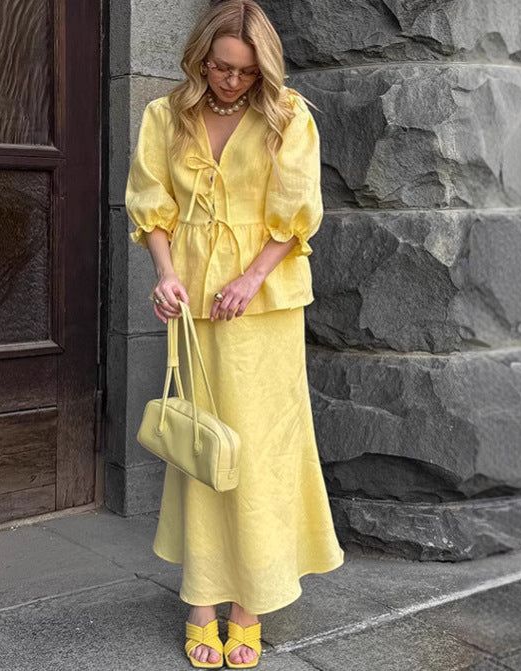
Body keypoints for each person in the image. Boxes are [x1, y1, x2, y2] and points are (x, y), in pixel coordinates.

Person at [125, 1, 345, 667]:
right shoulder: (165, 116)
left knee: (258, 448)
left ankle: (249, 602)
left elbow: (297, 212)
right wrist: (166, 276)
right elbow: (152, 204)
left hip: (265, 302)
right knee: (204, 445)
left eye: (247, 72)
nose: (232, 81)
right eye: (222, 67)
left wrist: (250, 277)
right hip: (195, 299)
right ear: (200, 57)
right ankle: (201, 599)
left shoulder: (287, 115)